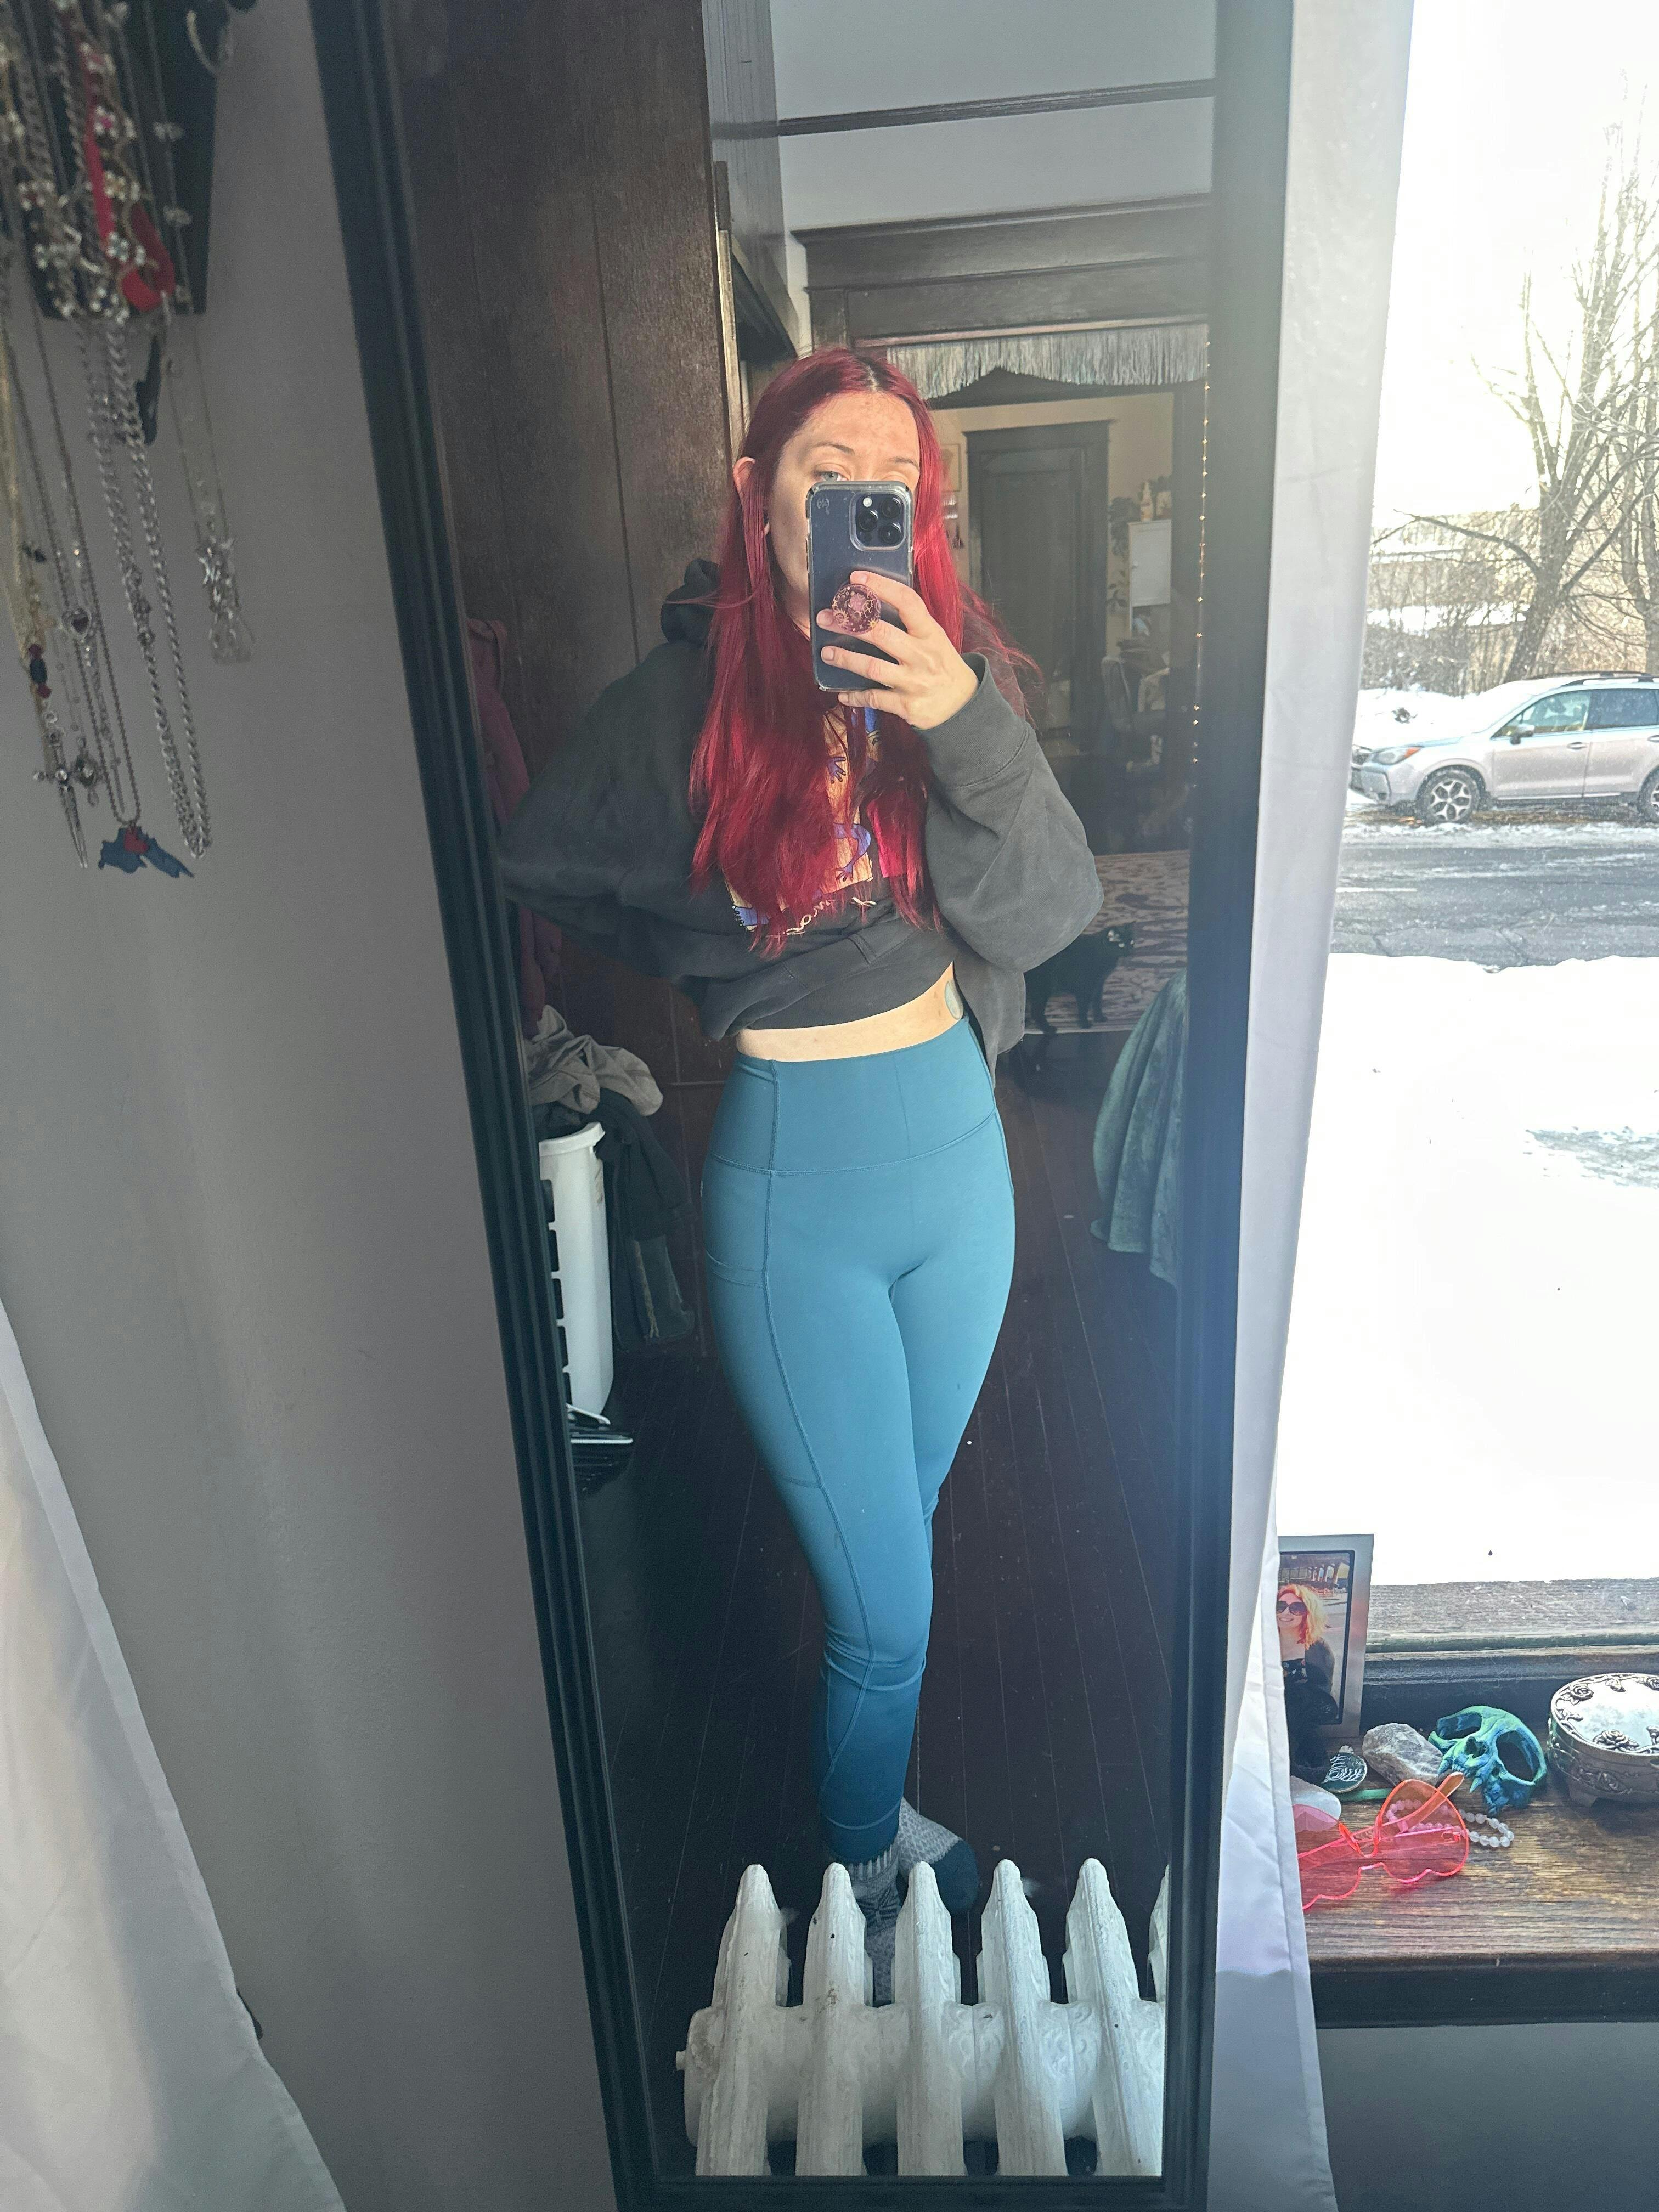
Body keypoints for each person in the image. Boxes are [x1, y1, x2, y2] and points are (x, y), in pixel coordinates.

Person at [498, 348, 1103, 1997]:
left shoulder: (956, 674)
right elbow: (538, 860)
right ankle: (864, 1885)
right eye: (826, 472)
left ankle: (873, 1817)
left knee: (891, 1539)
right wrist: (710, 953)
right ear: (760, 496)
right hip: (797, 1199)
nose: (857, 505)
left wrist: (960, 718)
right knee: (886, 1611)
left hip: (960, 1166)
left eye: (890, 483)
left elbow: (1053, 917)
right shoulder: (680, 702)